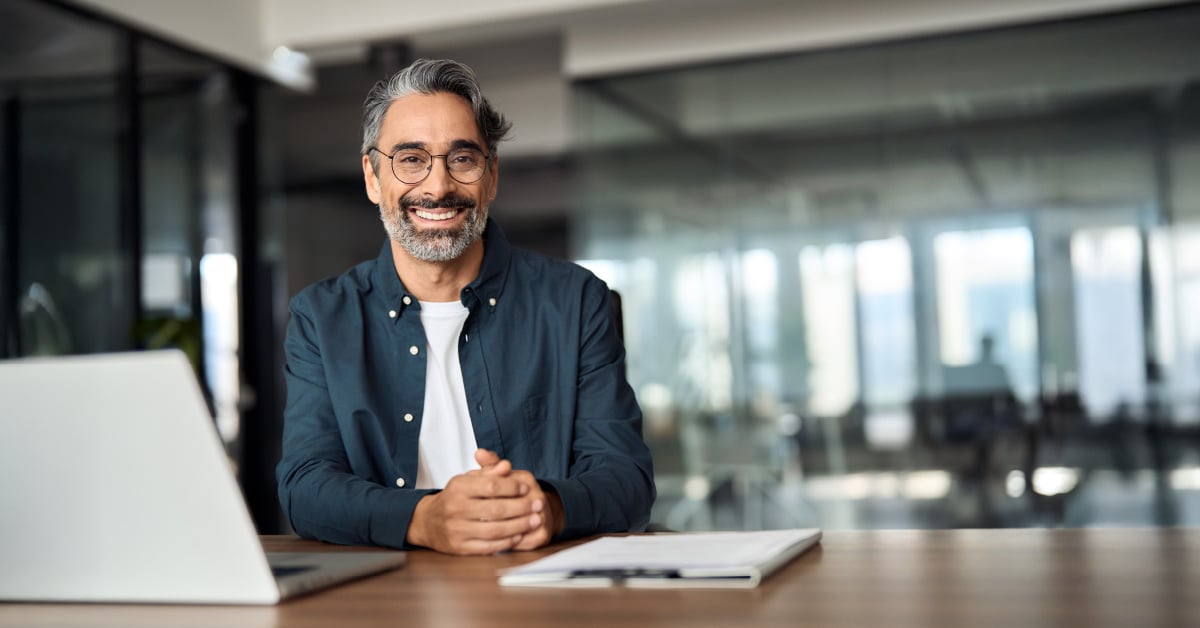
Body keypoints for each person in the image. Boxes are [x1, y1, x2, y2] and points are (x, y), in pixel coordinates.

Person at [275, 59, 655, 556]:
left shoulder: (575, 301)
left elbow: (626, 478)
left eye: (462, 158)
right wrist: (423, 518)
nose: (437, 187)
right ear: (372, 177)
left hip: (543, 588)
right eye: (411, 159)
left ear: (491, 176)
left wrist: (545, 506)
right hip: (388, 595)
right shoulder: (321, 318)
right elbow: (304, 487)